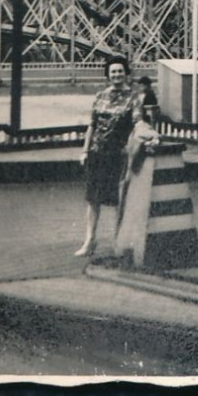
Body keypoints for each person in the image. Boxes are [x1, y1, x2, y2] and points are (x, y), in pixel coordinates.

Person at [76, 56, 143, 257]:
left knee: (117, 201)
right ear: (108, 75)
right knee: (93, 200)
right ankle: (89, 241)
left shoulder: (133, 98)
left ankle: (118, 242)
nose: (116, 75)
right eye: (113, 71)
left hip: (118, 155)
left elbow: (137, 122)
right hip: (97, 152)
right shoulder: (99, 96)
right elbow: (92, 125)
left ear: (126, 73)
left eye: (120, 71)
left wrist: (144, 133)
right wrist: (85, 150)